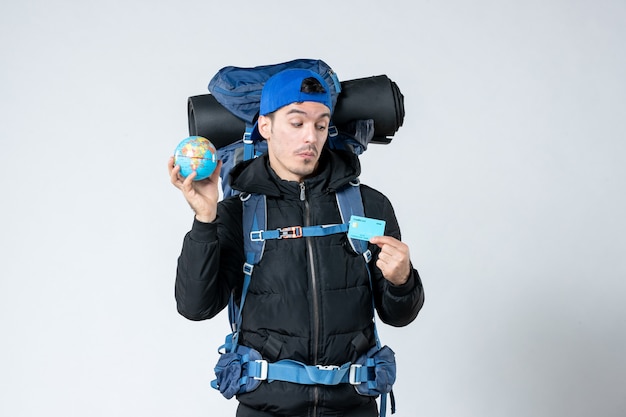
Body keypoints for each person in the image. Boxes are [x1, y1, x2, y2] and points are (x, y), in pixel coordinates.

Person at [168, 68, 425, 417]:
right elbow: (195, 307)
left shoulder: (367, 206)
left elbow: (398, 314)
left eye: (320, 125)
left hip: (352, 408)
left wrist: (402, 280)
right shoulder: (237, 213)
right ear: (265, 127)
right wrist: (204, 220)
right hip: (267, 409)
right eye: (296, 123)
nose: (310, 137)